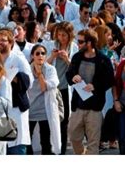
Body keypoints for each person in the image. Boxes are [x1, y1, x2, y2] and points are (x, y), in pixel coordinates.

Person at [66, 29, 114, 155]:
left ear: (90, 43)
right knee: (74, 137)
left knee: (93, 142)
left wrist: (95, 86)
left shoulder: (103, 60)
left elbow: (110, 80)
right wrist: (73, 77)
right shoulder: (77, 57)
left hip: (95, 107)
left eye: (81, 41)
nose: (78, 44)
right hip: (78, 105)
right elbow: (69, 74)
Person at [0, 28, 33, 155]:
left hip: (16, 109)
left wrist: (15, 78)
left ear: (10, 43)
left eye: (3, 40)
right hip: (0, 109)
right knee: (1, 147)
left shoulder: (18, 59)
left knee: (16, 147)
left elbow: (30, 81)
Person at [45, 21, 79, 154]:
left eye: (64, 35)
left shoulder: (74, 47)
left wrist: (67, 59)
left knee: (63, 121)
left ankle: (61, 151)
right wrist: (52, 56)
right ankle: (50, 149)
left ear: (70, 35)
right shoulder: (51, 45)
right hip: (53, 87)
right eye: (59, 35)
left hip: (65, 88)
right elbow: (44, 65)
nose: (61, 38)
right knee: (50, 119)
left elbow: (76, 69)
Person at [27, 44, 61, 155]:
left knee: (46, 142)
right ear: (32, 56)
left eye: (43, 53)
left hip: (45, 111)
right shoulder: (27, 69)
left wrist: (40, 73)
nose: (40, 56)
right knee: (27, 141)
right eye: (37, 53)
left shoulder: (50, 69)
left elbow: (44, 87)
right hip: (30, 110)